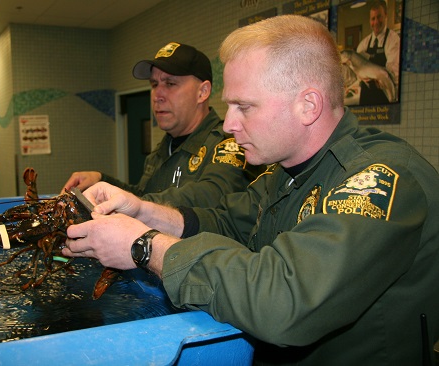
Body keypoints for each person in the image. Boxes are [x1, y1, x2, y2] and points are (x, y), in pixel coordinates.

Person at [62, 15, 439, 365]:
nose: (227, 125)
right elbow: (228, 221)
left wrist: (145, 246)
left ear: (308, 105)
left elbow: (285, 300)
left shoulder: (382, 179)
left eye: (244, 106)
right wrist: (142, 212)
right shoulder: (286, 172)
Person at [62, 42, 259, 208]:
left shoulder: (229, 145)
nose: (158, 95)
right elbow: (143, 193)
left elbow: (211, 197)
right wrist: (101, 180)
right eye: (154, 84)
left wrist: (134, 206)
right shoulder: (162, 150)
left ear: (203, 91)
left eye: (170, 84)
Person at [356, 0, 401, 105]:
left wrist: (381, 80)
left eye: (379, 17)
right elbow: (357, 73)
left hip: (383, 99)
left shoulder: (393, 39)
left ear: (385, 15)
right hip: (365, 100)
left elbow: (393, 71)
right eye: (373, 18)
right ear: (369, 20)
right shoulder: (363, 44)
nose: (376, 22)